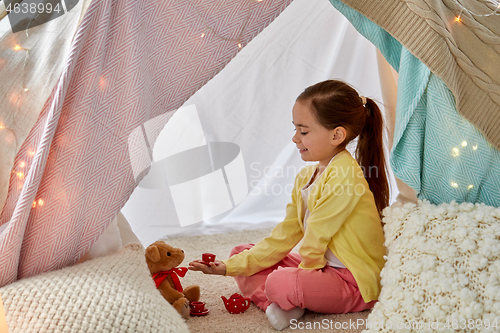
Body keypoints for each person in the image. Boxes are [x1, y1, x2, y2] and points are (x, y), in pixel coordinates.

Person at [188, 80, 389, 330]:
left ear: (337, 135)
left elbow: (316, 236)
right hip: (323, 269)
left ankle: (287, 298)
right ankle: (287, 305)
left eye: (303, 131)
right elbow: (285, 234)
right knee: (240, 253)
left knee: (279, 282)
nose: (295, 138)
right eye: (295, 129)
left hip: (353, 281)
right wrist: (228, 268)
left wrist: (302, 277)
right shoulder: (307, 177)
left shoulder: (346, 174)